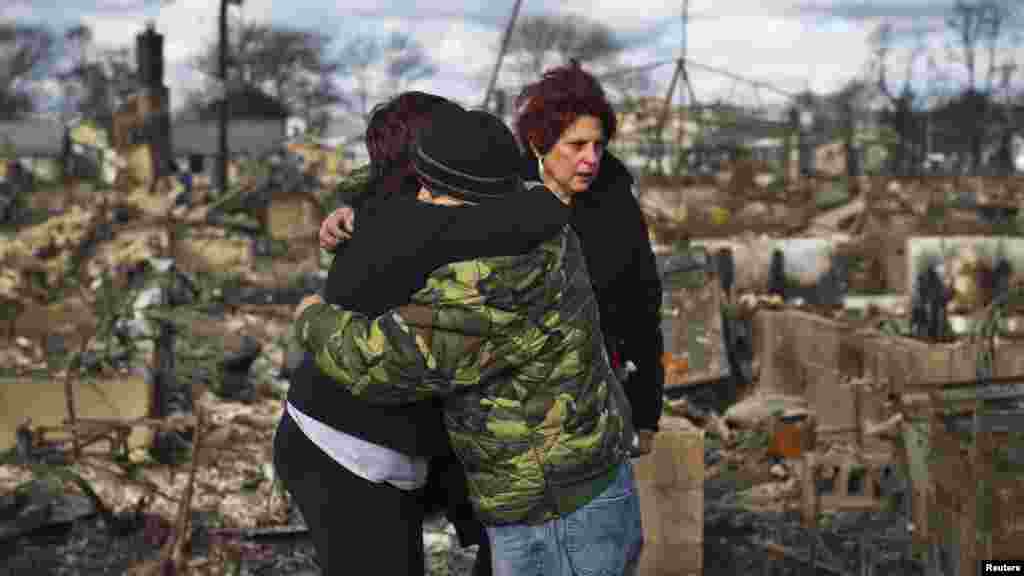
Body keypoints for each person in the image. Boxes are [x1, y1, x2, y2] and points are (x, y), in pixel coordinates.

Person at [295, 104, 643, 576]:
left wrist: (311, 316)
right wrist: (361, 211)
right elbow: (425, 213)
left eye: (434, 191)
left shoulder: (492, 281)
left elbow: (379, 361)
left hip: (555, 514)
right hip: (578, 487)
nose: (422, 199)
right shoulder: (533, 216)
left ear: (471, 203)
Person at [321, 61, 664, 456]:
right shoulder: (495, 182)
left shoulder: (615, 203)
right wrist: (356, 211)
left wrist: (645, 411)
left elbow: (643, 301)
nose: (590, 159)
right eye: (576, 145)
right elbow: (420, 208)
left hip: (585, 396)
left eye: (598, 145)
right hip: (486, 406)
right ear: (538, 142)